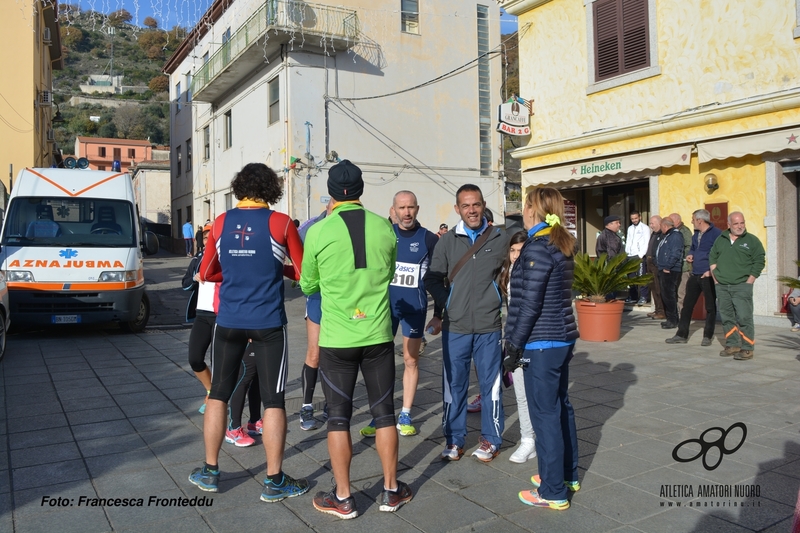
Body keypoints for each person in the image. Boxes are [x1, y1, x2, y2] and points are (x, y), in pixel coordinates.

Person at [189, 163, 309, 501]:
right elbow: (301, 272)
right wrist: (276, 266)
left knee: (218, 395)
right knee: (273, 400)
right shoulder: (281, 222)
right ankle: (274, 481)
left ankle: (210, 471)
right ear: (271, 190)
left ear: (239, 188)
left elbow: (207, 272)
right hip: (268, 323)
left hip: (227, 321)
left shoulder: (222, 223)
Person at [301, 160, 412, 519]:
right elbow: (391, 270)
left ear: (332, 195)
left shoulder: (318, 231)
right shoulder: (385, 227)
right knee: (385, 414)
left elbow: (307, 285)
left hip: (337, 338)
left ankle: (344, 497)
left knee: (338, 418)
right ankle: (392, 490)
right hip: (378, 334)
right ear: (361, 190)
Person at [504, 187, 579, 510]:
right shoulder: (559, 244)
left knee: (545, 415)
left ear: (533, 210)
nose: (523, 210)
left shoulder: (537, 249)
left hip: (542, 342)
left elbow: (529, 305)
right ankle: (565, 474)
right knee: (560, 407)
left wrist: (513, 345)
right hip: (561, 338)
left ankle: (552, 491)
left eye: (525, 205)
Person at [425, 184, 509, 462]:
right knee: (455, 385)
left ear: (484, 205)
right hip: (455, 327)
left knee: (491, 385)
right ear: (457, 209)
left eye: (476, 205)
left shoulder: (500, 237)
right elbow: (433, 278)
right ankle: (455, 439)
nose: (471, 210)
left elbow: (514, 269)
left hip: (488, 326)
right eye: (466, 206)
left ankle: (491, 439)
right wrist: (448, 303)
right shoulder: (447, 241)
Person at [361, 191, 440, 438]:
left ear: (417, 209)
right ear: (393, 210)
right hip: (384, 309)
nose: (407, 212)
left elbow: (438, 279)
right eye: (402, 208)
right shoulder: (383, 234)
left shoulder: (429, 239)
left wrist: (439, 313)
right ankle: (381, 415)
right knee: (380, 363)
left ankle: (405, 413)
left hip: (413, 309)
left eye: (411, 207)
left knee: (410, 360)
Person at [498, 230, 537, 463]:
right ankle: (527, 440)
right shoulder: (510, 273)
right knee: (521, 394)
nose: (515, 255)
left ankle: (536, 438)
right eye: (512, 251)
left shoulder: (532, 273)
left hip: (532, 342)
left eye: (520, 251)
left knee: (536, 395)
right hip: (515, 342)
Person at [294, 201, 333, 431]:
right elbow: (296, 255)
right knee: (315, 353)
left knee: (334, 354)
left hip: (342, 298)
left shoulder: (352, 223)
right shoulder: (312, 227)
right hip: (318, 296)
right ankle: (307, 405)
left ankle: (331, 404)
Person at [709, 212, 765, 360]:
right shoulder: (720, 240)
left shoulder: (752, 241)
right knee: (727, 318)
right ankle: (732, 344)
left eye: (742, 223)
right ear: (729, 225)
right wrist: (716, 280)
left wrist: (749, 282)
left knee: (744, 317)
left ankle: (747, 348)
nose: (740, 226)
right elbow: (712, 258)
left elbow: (759, 261)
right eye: (736, 224)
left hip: (742, 285)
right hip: (722, 286)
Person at [665, 209, 722, 347]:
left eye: (693, 219)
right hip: (695, 273)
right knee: (687, 306)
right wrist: (691, 254)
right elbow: (694, 248)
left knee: (710, 307)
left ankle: (707, 336)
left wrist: (711, 271)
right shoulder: (696, 234)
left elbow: (721, 255)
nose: (691, 221)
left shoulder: (717, 234)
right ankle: (681, 334)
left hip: (708, 275)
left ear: (699, 220)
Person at [182, 222, 215, 414]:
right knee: (195, 358)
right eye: (205, 236)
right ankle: (210, 389)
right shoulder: (198, 258)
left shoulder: (228, 255)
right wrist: (194, 278)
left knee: (220, 362)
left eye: (211, 235)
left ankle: (216, 398)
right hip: (202, 314)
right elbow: (185, 283)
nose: (207, 239)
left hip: (223, 314)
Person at [656, 217, 684, 329]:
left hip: (670, 269)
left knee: (669, 295)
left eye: (661, 226)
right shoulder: (668, 235)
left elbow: (676, 252)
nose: (661, 229)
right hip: (664, 268)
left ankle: (673, 320)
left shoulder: (675, 236)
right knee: (665, 294)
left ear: (665, 226)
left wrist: (668, 266)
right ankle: (670, 318)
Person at [624, 211, 651, 306]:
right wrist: (626, 253)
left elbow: (646, 241)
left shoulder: (645, 228)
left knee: (641, 277)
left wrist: (641, 254)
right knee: (631, 278)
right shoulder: (630, 228)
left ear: (639, 217)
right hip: (629, 256)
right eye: (632, 219)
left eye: (636, 218)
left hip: (639, 256)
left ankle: (643, 296)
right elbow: (628, 241)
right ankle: (633, 296)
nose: (634, 220)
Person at [670, 213, 692, 310]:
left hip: (684, 267)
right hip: (675, 267)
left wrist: (679, 255)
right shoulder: (673, 232)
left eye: (671, 221)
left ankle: (682, 314)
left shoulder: (684, 231)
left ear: (677, 221)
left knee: (681, 292)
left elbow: (689, 246)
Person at [645, 216, 666, 320]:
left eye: (652, 223)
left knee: (659, 288)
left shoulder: (662, 235)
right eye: (650, 223)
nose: (651, 226)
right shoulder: (654, 234)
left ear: (659, 223)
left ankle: (662, 311)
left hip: (656, 264)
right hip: (649, 263)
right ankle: (657, 309)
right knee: (653, 287)